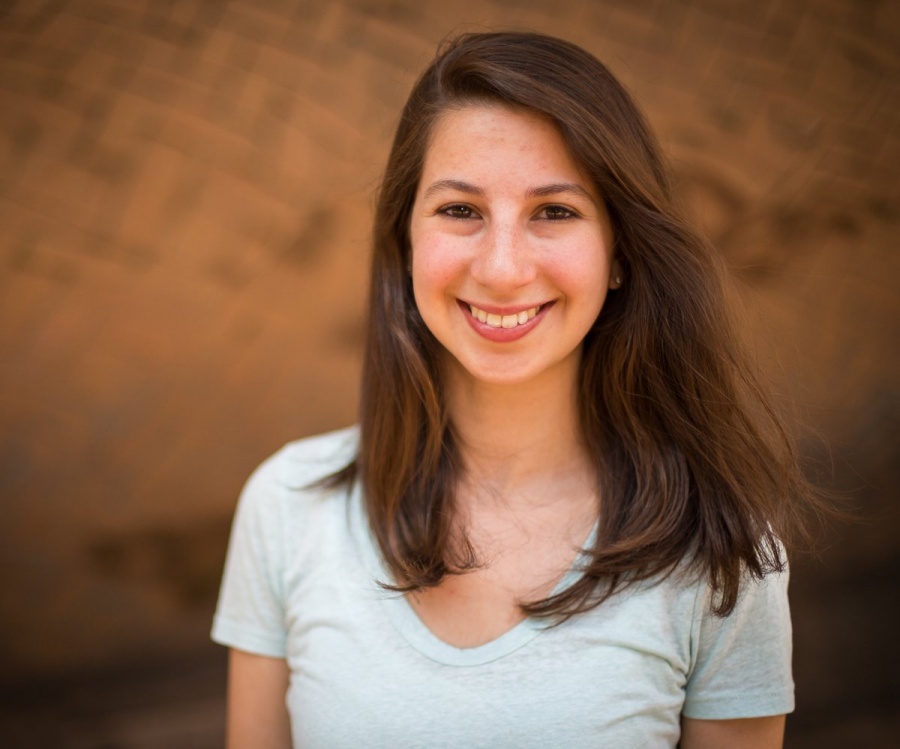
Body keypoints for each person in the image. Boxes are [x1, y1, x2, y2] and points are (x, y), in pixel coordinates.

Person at [212, 31, 821, 748]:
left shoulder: (722, 551)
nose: (502, 268)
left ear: (619, 251)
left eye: (554, 211)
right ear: (406, 241)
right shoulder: (288, 505)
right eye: (460, 210)